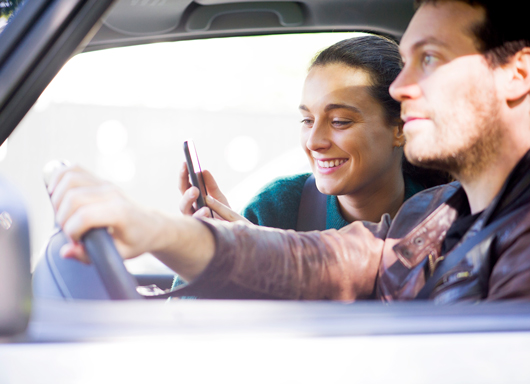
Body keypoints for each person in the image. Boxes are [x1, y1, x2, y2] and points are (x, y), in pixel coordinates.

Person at [49, 0, 530, 302]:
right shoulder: (433, 213)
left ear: (516, 74)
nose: (402, 87)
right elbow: (322, 262)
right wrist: (161, 230)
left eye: (429, 59)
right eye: (404, 64)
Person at [179, 35, 448, 231]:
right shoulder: (277, 208)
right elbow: (189, 307)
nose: (314, 142)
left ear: (401, 128)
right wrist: (211, 251)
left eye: (340, 121)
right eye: (307, 120)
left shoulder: (448, 216)